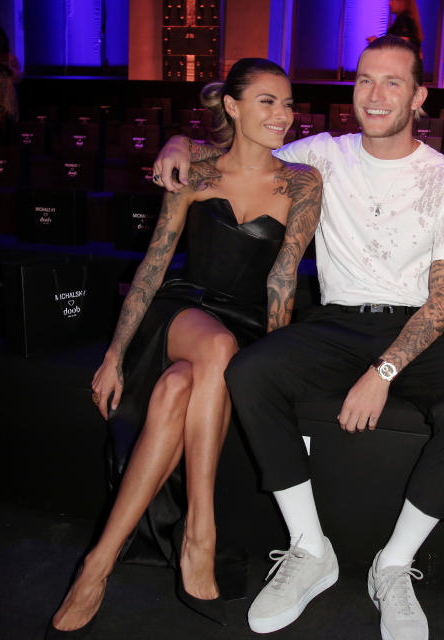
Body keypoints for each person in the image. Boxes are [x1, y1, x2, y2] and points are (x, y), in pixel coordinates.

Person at [153, 36, 444, 640]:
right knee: (251, 371)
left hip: (417, 326)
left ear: (419, 96)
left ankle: (392, 566)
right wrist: (178, 141)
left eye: (393, 82)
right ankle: (311, 549)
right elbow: (239, 145)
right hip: (337, 320)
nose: (375, 94)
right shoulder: (321, 154)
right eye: (365, 79)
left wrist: (383, 372)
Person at [46, 58, 322, 636]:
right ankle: (201, 529)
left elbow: (283, 279)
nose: (283, 115)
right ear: (233, 106)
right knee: (214, 347)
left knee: (178, 387)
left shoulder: (301, 182)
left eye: (289, 103)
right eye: (268, 101)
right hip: (182, 310)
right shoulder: (194, 171)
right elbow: (151, 267)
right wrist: (114, 354)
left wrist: (270, 368)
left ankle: (97, 564)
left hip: (245, 323)